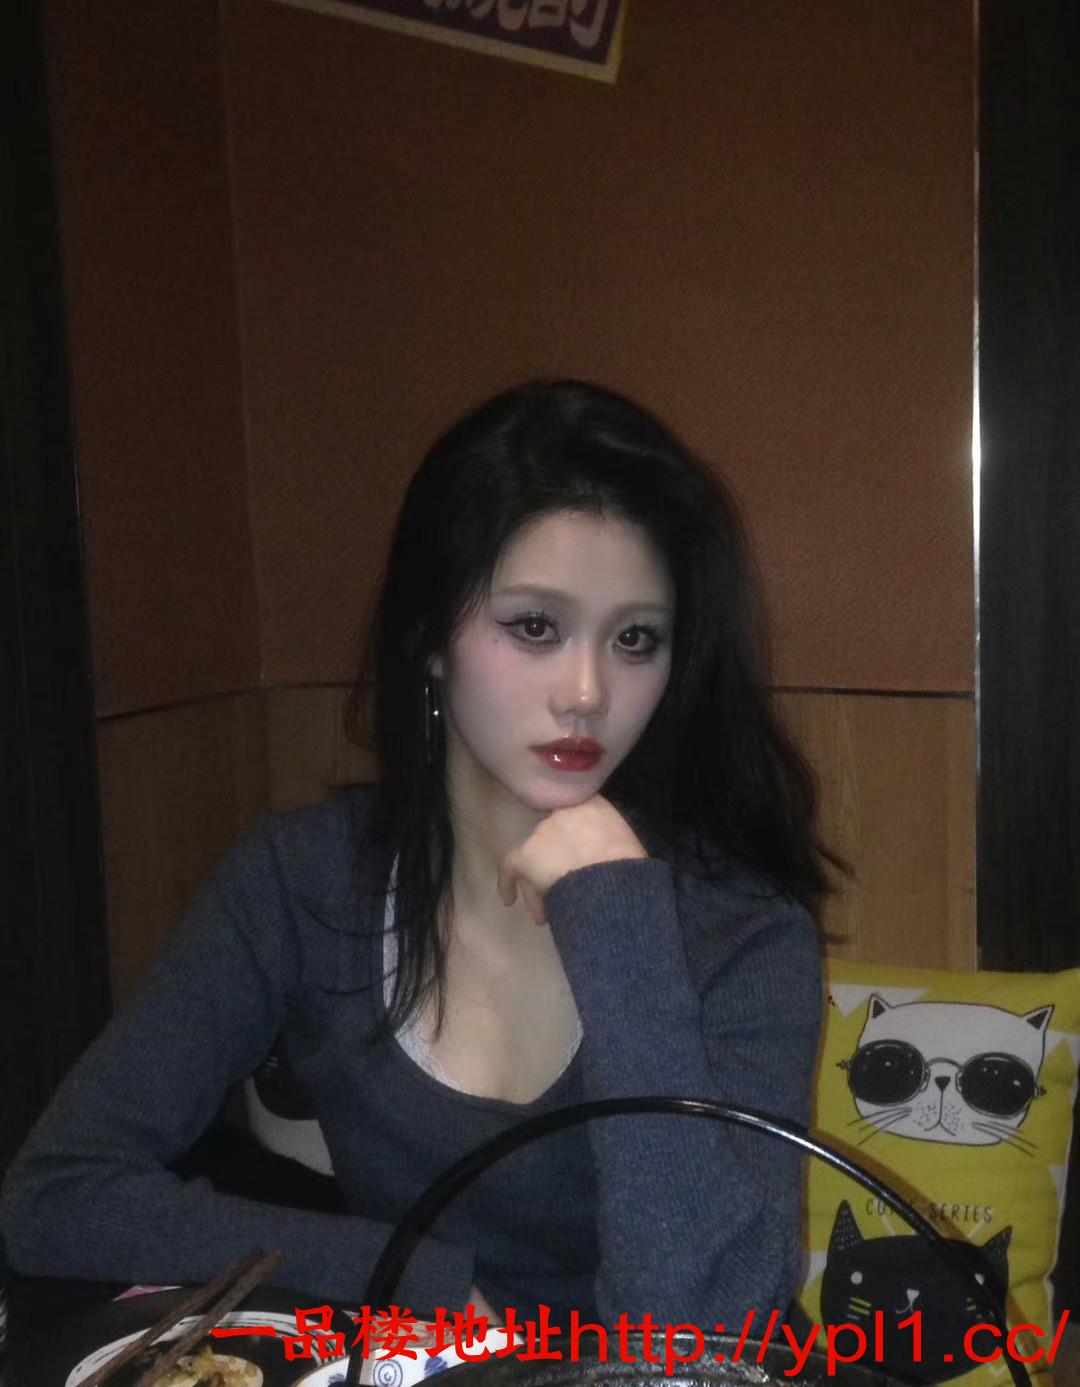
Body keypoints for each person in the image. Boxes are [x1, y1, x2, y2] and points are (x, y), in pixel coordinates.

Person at [1, 380, 834, 1332]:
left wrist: (619, 926)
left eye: (636, 638)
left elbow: (701, 1337)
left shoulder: (743, 929)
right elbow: (57, 1192)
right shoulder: (306, 881)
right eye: (534, 626)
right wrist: (399, 1273)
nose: (587, 691)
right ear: (430, 637)